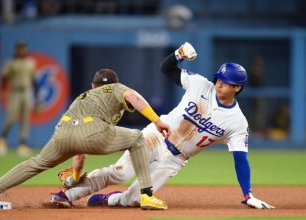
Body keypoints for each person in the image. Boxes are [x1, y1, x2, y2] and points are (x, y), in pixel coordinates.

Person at [53, 42, 275, 209]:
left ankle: (111, 199)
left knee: (134, 200)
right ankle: (67, 196)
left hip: (175, 159)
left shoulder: (237, 122)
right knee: (119, 173)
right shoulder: (200, 85)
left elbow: (240, 159)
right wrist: (178, 54)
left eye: (225, 82)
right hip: (156, 137)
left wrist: (248, 195)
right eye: (218, 79)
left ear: (237, 88)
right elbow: (166, 69)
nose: (218, 84)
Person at [0, 68, 172, 210]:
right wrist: (156, 121)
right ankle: (147, 195)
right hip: (93, 132)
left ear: (92, 85)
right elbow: (134, 97)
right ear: (114, 83)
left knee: (36, 163)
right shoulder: (117, 88)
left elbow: (79, 146)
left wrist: (75, 176)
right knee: (137, 138)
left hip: (62, 133)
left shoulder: (84, 96)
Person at [0, 41, 37, 157]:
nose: (22, 51)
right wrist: (2, 91)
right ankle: (2, 140)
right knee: (11, 118)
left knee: (25, 119)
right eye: (19, 48)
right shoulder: (11, 63)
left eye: (23, 48)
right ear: (16, 50)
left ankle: (22, 144)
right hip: (14, 92)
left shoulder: (30, 62)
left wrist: (37, 96)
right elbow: (4, 78)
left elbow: (34, 80)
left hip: (27, 91)